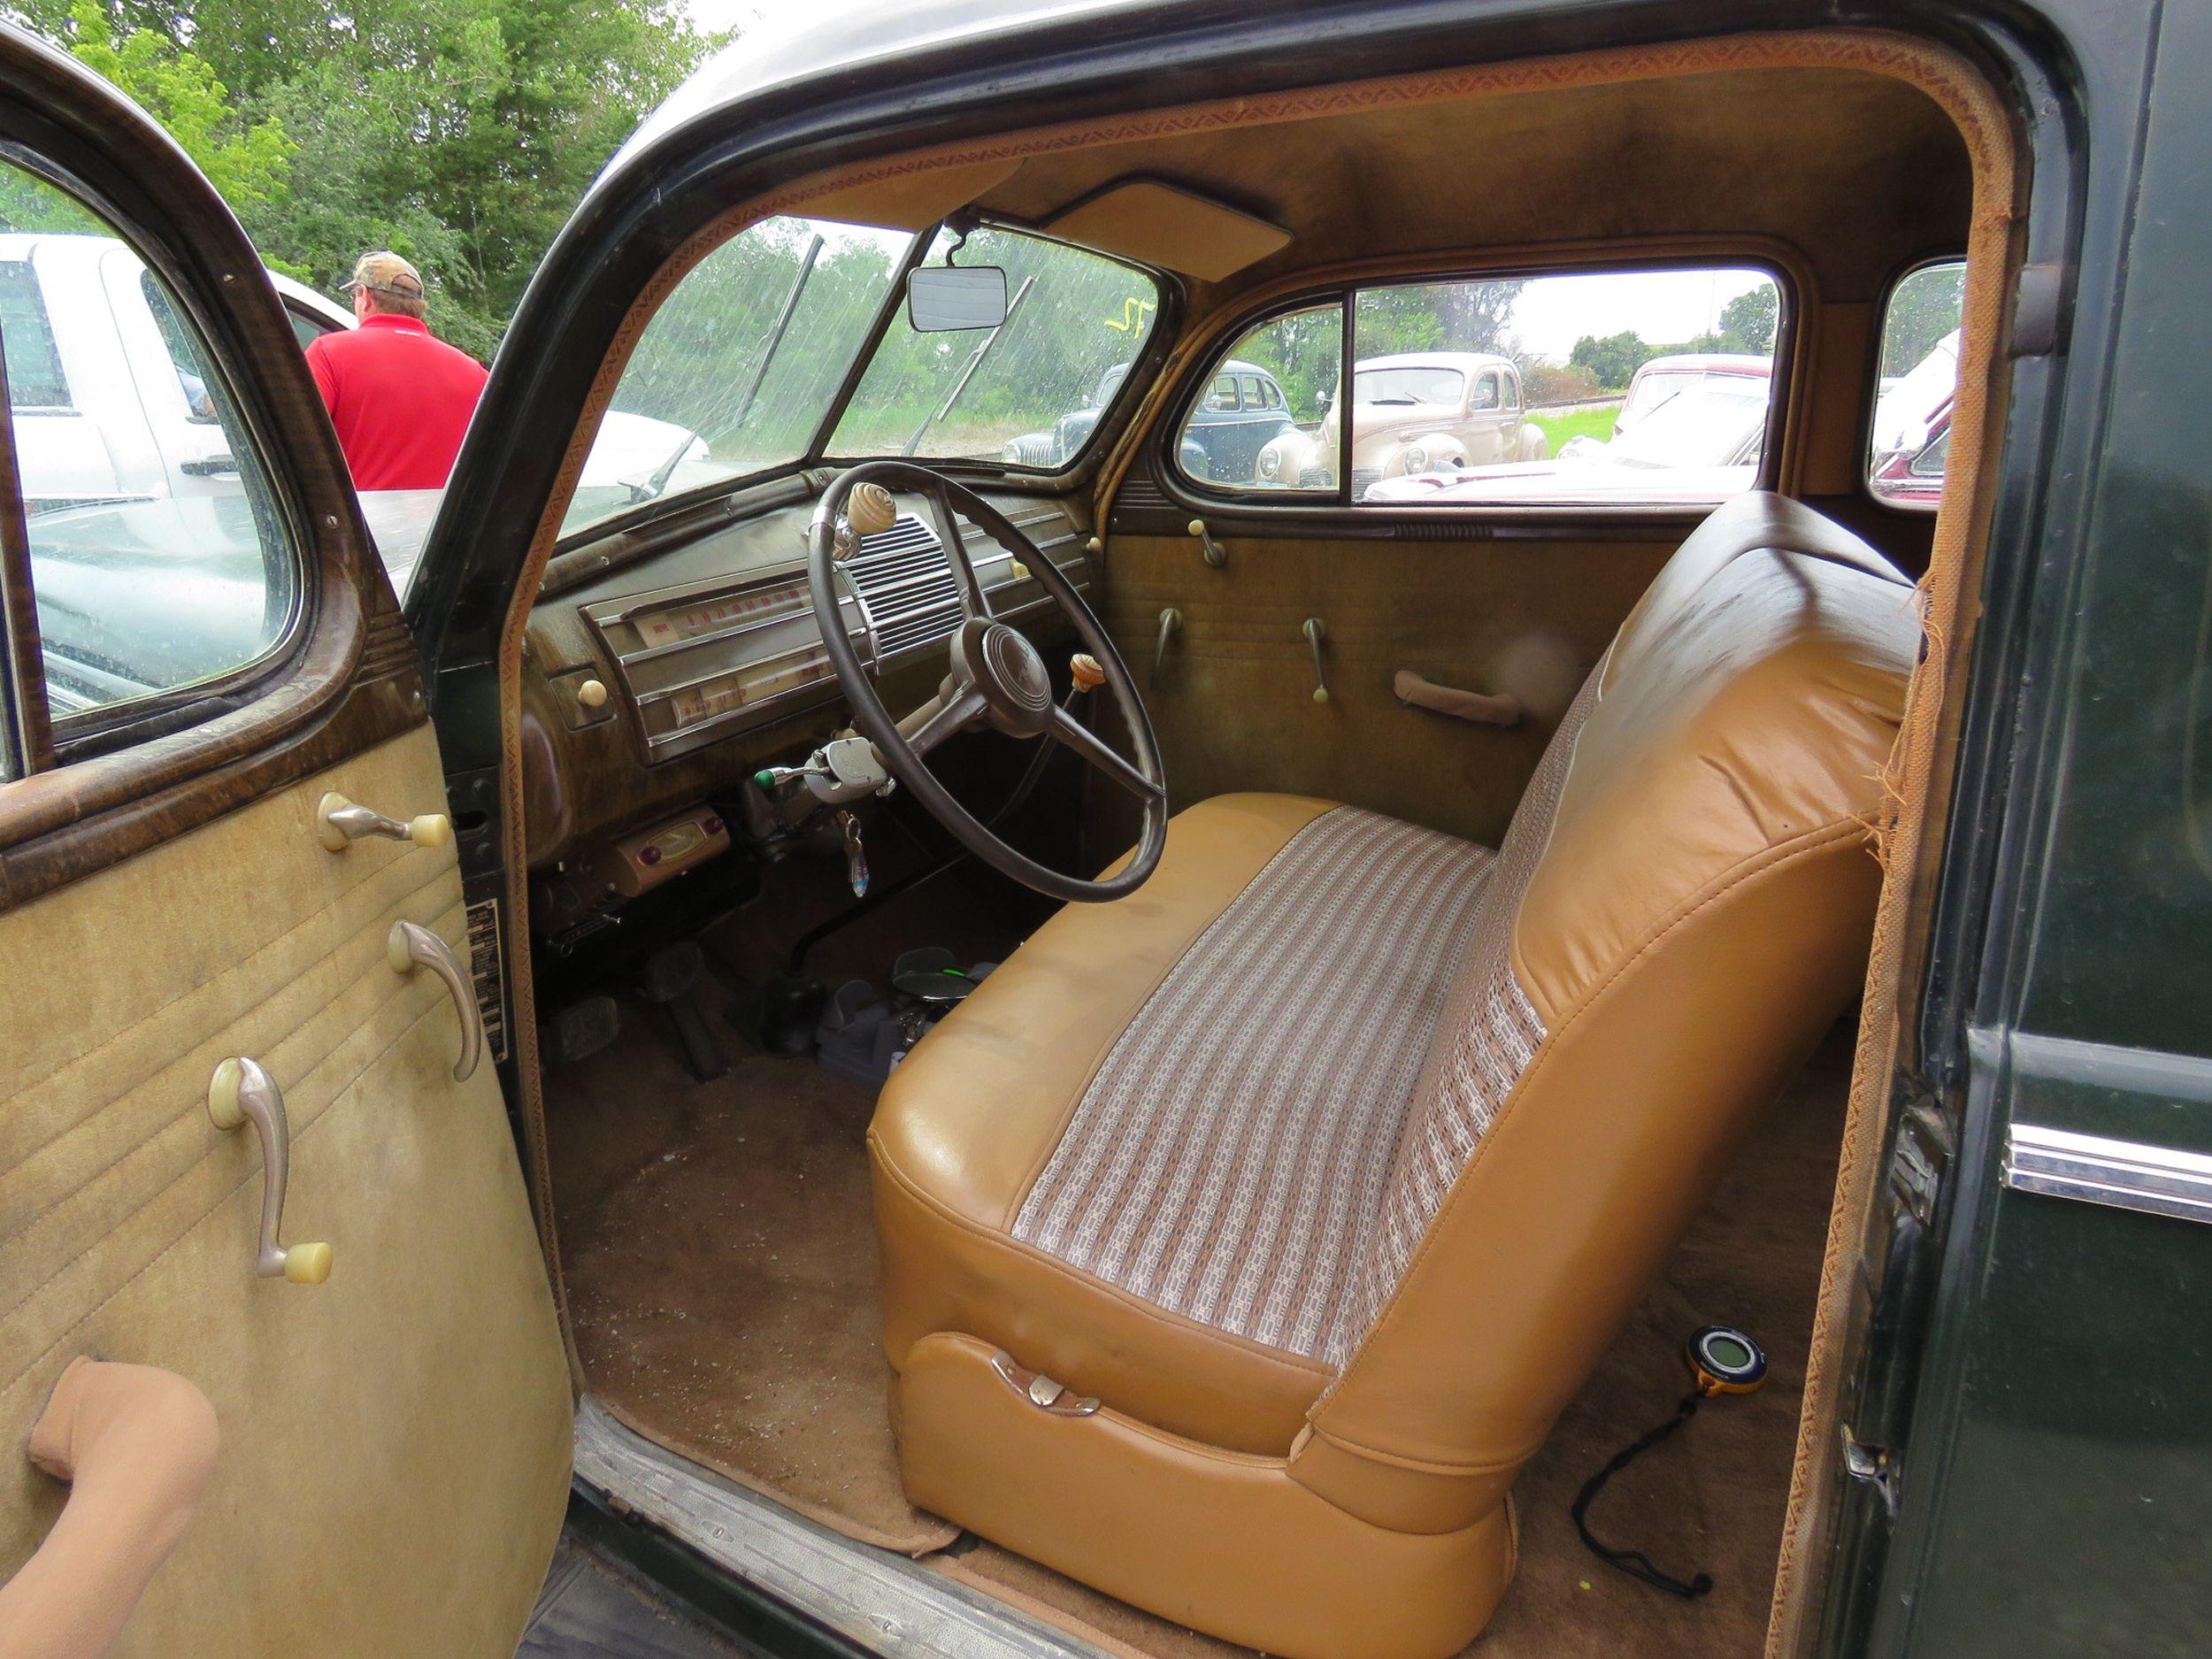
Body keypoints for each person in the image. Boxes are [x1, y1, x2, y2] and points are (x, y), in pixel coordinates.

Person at [303, 251, 488, 490]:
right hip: (447, 524)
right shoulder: (473, 371)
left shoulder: (328, 352)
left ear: (366, 297)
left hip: (362, 523)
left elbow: (296, 441)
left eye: (354, 294)